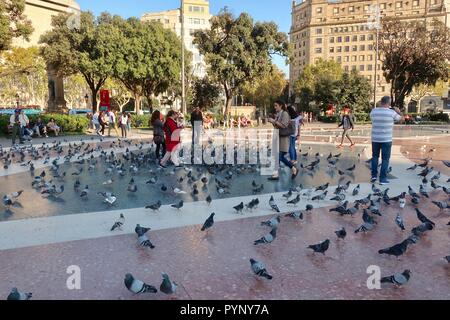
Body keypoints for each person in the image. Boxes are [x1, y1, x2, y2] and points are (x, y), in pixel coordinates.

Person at [370, 96, 404, 185]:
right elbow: (402, 120)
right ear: (389, 103)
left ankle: (373, 176)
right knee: (385, 159)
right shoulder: (392, 112)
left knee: (375, 157)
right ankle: (382, 179)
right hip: (386, 139)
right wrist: (398, 111)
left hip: (375, 139)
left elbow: (373, 120)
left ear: (381, 102)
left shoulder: (373, 111)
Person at [267, 100, 299, 180]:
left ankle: (293, 169)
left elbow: (284, 125)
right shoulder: (278, 114)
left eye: (276, 106)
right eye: (274, 106)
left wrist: (273, 121)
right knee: (277, 156)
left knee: (280, 156)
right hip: (278, 137)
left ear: (281, 106)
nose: (275, 107)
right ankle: (276, 175)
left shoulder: (284, 113)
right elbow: (277, 125)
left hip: (284, 139)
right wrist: (272, 122)